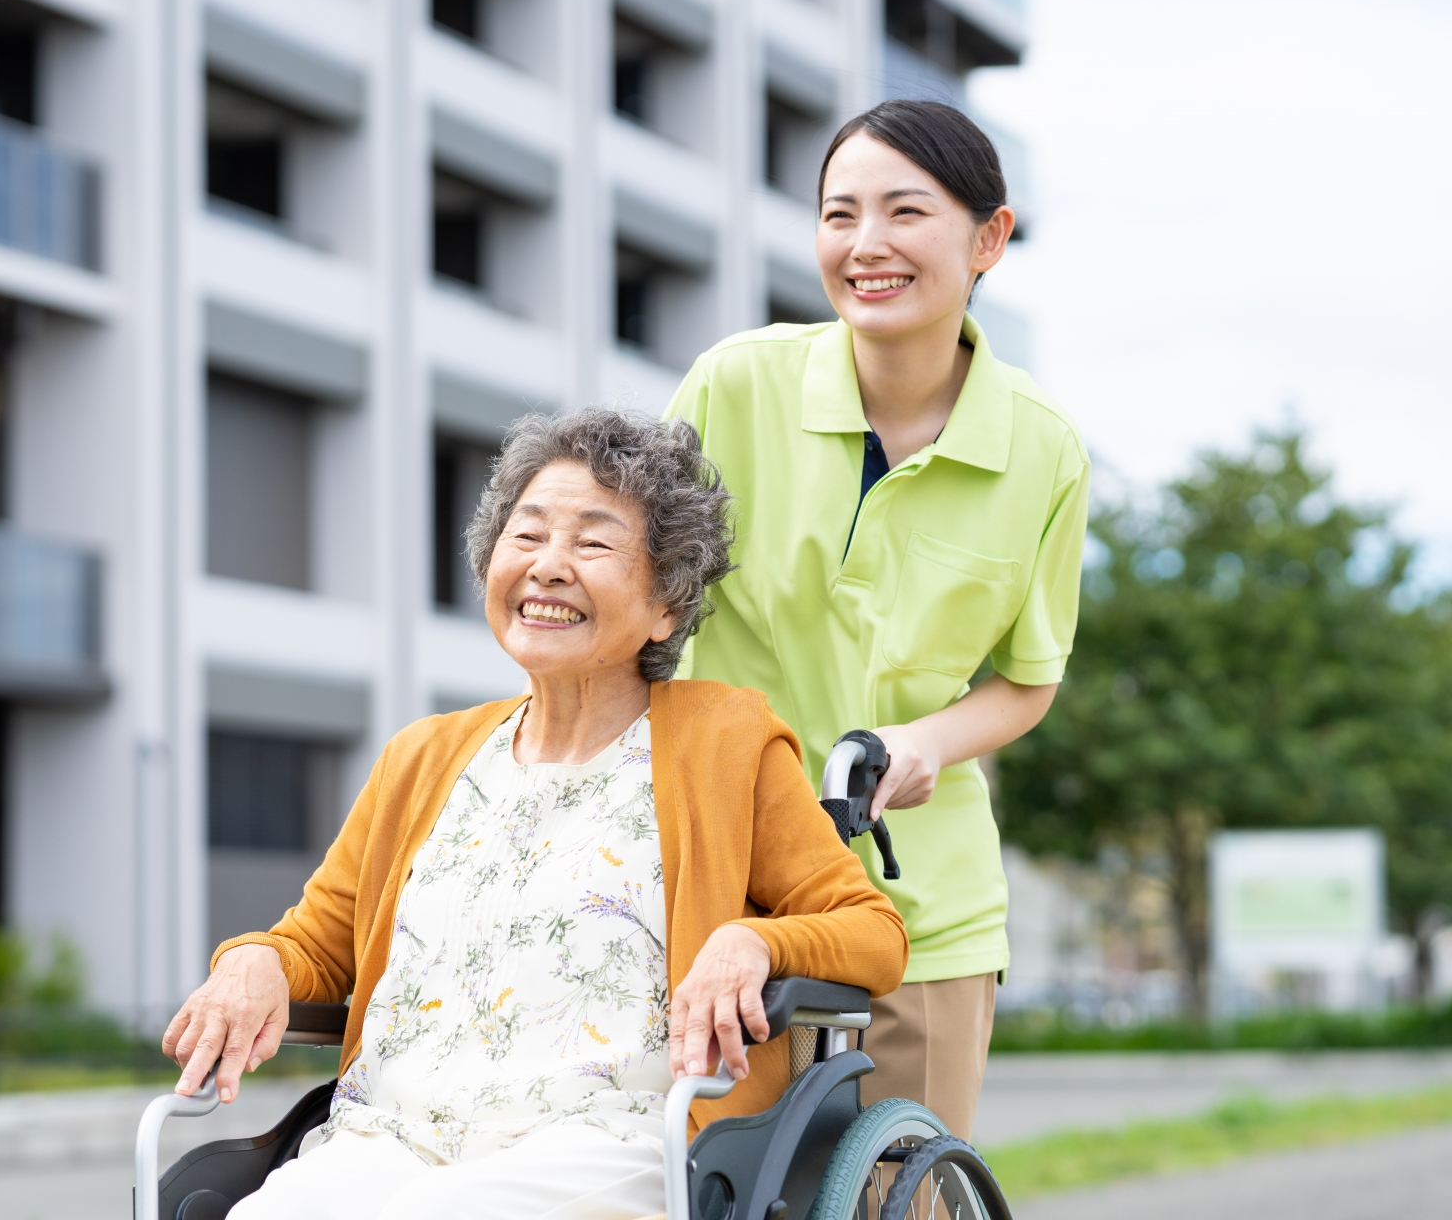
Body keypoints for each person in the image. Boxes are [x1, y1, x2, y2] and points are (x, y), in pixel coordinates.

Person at [163, 410, 907, 1220]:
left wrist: (755, 942)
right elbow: (316, 943)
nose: (548, 566)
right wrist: (253, 963)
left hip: (609, 1142)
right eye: (527, 536)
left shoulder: (725, 741)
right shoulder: (423, 756)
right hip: (391, 1140)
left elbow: (872, 931)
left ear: (666, 604)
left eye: (593, 544)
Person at [665, 99, 1090, 1138]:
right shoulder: (734, 386)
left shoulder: (1043, 449)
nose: (866, 244)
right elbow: (640, 601)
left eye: (906, 211)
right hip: (725, 880)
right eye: (839, 214)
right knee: (701, 1184)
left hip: (924, 908)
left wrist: (926, 741)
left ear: (988, 237)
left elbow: (1028, 678)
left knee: (900, 1191)